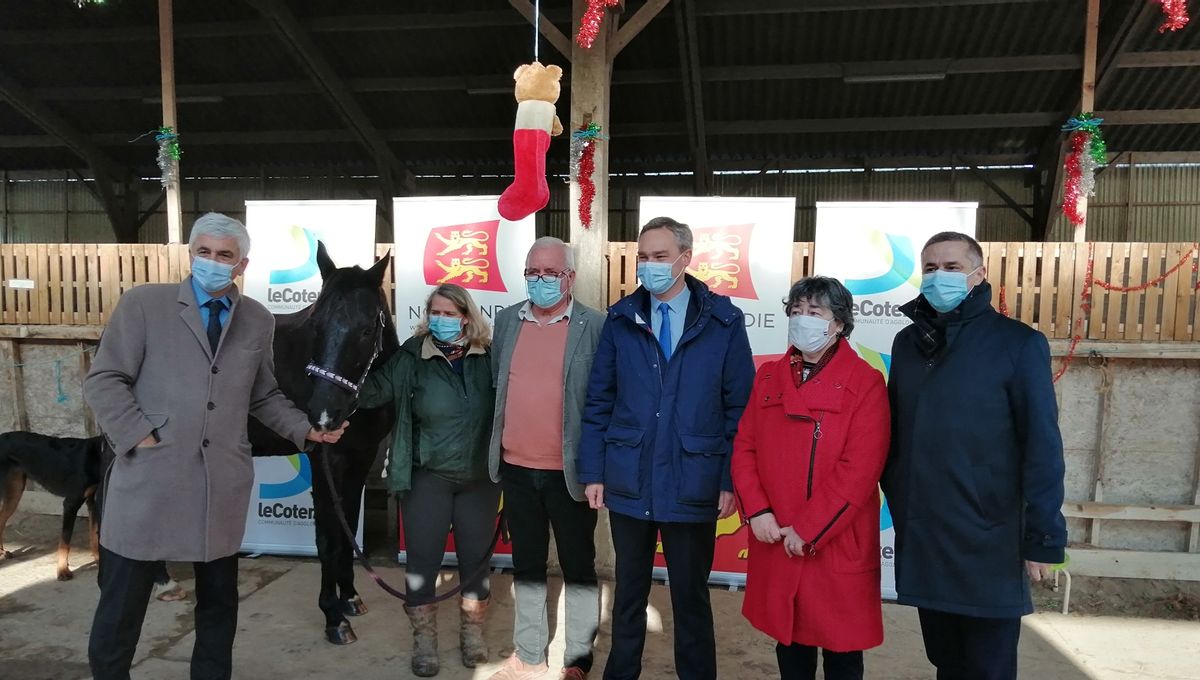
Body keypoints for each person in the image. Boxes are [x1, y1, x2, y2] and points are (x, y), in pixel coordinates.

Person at [83, 212, 346, 680]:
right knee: (122, 606)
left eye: (224, 255)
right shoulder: (144, 305)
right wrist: (138, 435)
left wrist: (306, 430)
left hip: (218, 485)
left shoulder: (257, 319)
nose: (212, 262)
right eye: (203, 252)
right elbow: (105, 379)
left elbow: (262, 394)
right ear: (191, 254)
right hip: (149, 478)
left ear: (241, 265)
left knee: (219, 606)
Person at [882, 231, 1067, 680]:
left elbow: (1042, 444)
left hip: (990, 536)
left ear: (978, 275)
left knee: (989, 665)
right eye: (930, 268)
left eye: (951, 268)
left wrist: (1043, 537)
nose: (938, 277)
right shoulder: (909, 345)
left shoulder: (1018, 344)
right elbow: (895, 436)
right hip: (926, 535)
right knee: (946, 660)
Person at [579, 216, 755, 680]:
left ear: (684, 258)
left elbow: (739, 408)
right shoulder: (621, 319)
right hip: (630, 478)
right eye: (644, 257)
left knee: (691, 597)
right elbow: (600, 399)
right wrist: (594, 472)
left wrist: (727, 479)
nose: (650, 266)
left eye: (660, 257)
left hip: (693, 481)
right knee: (628, 593)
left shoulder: (723, 320)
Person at [732, 276, 890, 680]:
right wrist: (759, 512)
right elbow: (745, 447)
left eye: (814, 312)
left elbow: (860, 469)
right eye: (796, 312)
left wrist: (808, 529)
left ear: (839, 323)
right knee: (791, 641)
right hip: (777, 533)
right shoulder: (768, 376)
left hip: (833, 538)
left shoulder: (865, 382)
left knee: (841, 647)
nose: (802, 320)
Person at [357, 283, 498, 678]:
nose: (441, 320)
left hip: (479, 481)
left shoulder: (489, 357)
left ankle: (472, 636)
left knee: (476, 563)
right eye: (435, 312)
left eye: (449, 314)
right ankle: (424, 642)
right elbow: (370, 394)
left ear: (466, 318)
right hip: (427, 478)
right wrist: (350, 359)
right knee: (421, 563)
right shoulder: (411, 356)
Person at [486, 237, 605, 680]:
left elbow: (603, 400)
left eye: (550, 273)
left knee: (578, 566)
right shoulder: (506, 321)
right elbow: (499, 387)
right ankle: (528, 653)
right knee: (528, 566)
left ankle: (577, 659)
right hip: (516, 468)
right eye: (532, 272)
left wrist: (599, 470)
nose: (540, 280)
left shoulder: (595, 325)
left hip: (569, 474)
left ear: (569, 278)